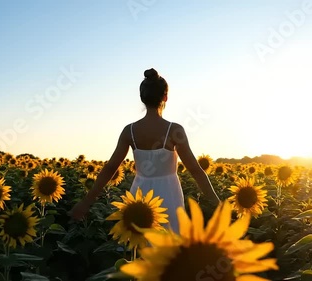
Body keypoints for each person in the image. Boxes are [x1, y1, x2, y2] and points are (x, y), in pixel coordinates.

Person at [69, 68, 220, 232]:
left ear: (142, 98)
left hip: (139, 195)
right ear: (165, 97)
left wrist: (85, 203)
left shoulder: (130, 131)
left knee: (138, 244)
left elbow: (110, 168)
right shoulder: (174, 130)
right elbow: (196, 170)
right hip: (170, 194)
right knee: (169, 247)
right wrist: (217, 204)